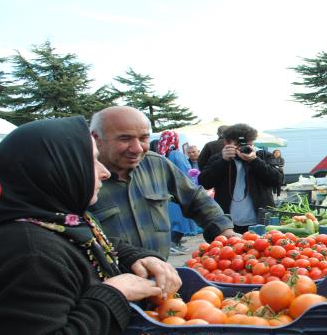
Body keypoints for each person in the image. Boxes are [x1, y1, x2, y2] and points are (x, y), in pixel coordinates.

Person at [0, 116, 181, 335]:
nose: (104, 172)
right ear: (55, 169)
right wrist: (115, 294)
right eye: (91, 161)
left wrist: (135, 256)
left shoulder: (59, 218)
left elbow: (89, 244)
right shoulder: (30, 253)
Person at [88, 106, 234, 260]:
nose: (137, 148)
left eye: (144, 138)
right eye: (125, 138)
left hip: (162, 276)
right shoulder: (80, 178)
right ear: (96, 138)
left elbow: (196, 199)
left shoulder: (156, 164)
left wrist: (224, 231)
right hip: (110, 280)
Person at [198, 123, 283, 233]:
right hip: (228, 224)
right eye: (238, 144)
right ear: (227, 143)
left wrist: (255, 161)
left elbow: (278, 180)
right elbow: (205, 182)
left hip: (260, 221)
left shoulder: (263, 156)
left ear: (252, 142)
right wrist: (223, 161)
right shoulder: (219, 158)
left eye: (246, 144)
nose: (242, 148)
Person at [157, 131, 201, 252]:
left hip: (168, 192)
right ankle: (173, 243)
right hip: (180, 192)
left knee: (174, 219)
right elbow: (185, 173)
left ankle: (175, 242)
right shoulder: (177, 154)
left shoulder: (162, 155)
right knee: (182, 219)